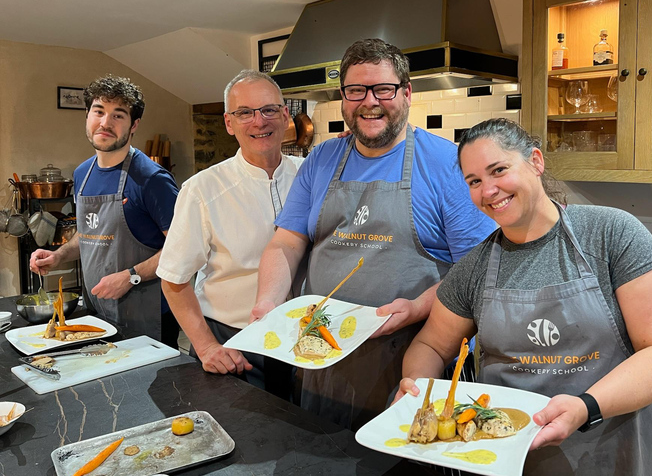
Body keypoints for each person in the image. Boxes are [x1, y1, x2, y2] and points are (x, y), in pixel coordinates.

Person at [397, 118, 652, 475]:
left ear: (535, 161)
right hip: (508, 457)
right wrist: (417, 391)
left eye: (499, 170)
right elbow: (430, 346)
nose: (488, 190)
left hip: (613, 452)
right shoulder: (474, 267)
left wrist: (585, 407)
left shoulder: (611, 234)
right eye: (474, 181)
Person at [251, 38, 497, 430]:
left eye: (383, 89)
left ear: (407, 93)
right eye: (355, 90)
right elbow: (287, 241)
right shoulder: (322, 158)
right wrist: (267, 305)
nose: (370, 101)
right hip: (320, 357)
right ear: (344, 97)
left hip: (412, 360)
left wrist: (416, 308)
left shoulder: (449, 162)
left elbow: (478, 269)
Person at [157, 70, 301, 400]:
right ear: (228, 123)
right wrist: (207, 346)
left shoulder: (310, 174)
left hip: (304, 340)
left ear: (285, 115)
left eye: (268, 110)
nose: (259, 122)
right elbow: (174, 279)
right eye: (245, 113)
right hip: (236, 346)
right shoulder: (201, 190)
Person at [30, 75, 179, 347]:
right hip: (98, 313)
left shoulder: (153, 180)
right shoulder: (83, 173)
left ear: (134, 125)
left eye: (118, 115)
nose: (105, 123)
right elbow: (90, 232)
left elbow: (182, 249)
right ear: (87, 116)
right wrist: (58, 255)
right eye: (99, 111)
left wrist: (130, 276)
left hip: (147, 316)